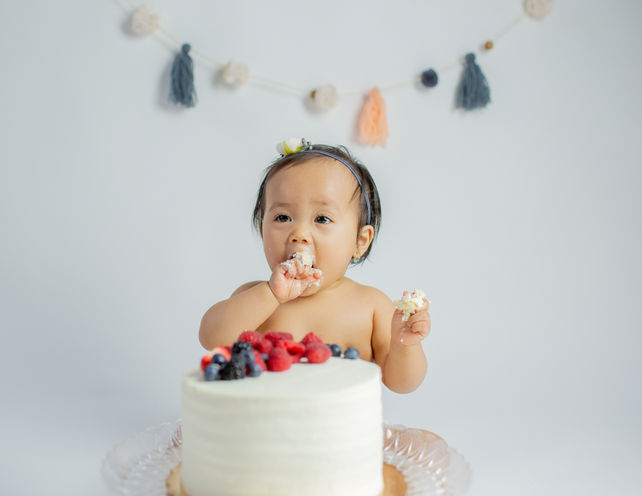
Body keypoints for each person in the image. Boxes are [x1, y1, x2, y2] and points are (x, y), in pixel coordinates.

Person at [199, 139, 431, 393]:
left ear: (360, 241)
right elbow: (211, 337)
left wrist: (405, 344)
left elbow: (402, 383)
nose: (299, 233)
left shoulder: (371, 306)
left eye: (322, 218)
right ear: (262, 229)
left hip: (340, 420)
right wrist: (270, 294)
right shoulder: (255, 298)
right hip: (265, 418)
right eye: (282, 217)